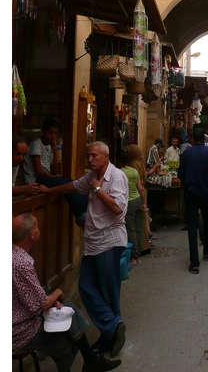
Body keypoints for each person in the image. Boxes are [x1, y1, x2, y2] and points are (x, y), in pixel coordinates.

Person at [40, 141, 129, 357]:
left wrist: (98, 190)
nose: (90, 159)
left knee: (108, 292)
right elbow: (73, 186)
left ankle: (110, 336)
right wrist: (50, 189)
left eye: (94, 156)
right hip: (93, 244)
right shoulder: (90, 177)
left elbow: (118, 209)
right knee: (87, 286)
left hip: (109, 242)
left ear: (106, 157)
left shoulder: (117, 177)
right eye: (88, 155)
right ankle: (113, 327)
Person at [12, 212, 121, 372]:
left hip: (19, 319)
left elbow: (31, 298)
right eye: (37, 227)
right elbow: (40, 305)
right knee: (67, 337)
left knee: (69, 311)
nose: (39, 230)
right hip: (19, 331)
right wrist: (56, 293)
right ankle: (90, 362)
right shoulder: (22, 264)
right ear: (32, 234)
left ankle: (91, 362)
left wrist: (49, 301)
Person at [23, 119, 87, 226]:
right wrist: (53, 177)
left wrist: (53, 150)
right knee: (67, 185)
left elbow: (54, 170)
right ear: (43, 131)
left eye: (55, 133)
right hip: (36, 181)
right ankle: (81, 214)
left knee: (72, 183)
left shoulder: (49, 146)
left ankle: (86, 211)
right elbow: (39, 171)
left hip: (47, 178)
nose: (53, 136)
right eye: (50, 132)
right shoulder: (36, 145)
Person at [177, 127, 208, 274]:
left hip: (191, 193)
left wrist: (185, 191)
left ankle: (194, 262)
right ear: (204, 138)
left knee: (192, 226)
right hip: (206, 193)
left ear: (193, 139)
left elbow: (181, 176)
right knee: (207, 222)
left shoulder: (186, 153)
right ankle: (207, 251)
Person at [118, 149, 147, 265]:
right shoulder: (134, 171)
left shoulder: (119, 172)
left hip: (128, 202)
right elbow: (141, 189)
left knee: (131, 230)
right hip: (137, 200)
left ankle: (133, 257)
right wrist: (144, 203)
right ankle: (137, 255)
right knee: (139, 229)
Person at [126, 144, 156, 243]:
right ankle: (145, 240)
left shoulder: (134, 165)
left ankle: (141, 244)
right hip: (141, 192)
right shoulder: (140, 163)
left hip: (137, 193)